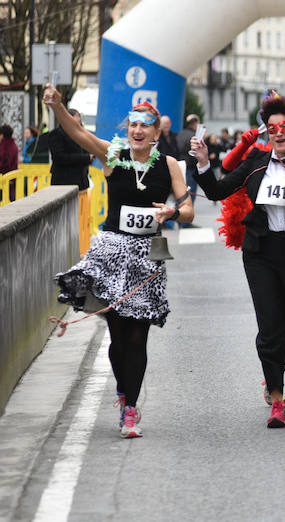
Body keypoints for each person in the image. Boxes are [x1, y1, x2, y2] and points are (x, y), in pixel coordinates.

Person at [44, 84, 195, 438]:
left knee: (138, 337)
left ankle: (130, 410)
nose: (138, 131)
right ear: (128, 129)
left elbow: (188, 208)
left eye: (145, 126)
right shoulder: (112, 156)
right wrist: (58, 106)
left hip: (148, 258)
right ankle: (124, 390)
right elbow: (78, 133)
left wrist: (173, 212)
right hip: (113, 254)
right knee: (118, 338)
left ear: (156, 133)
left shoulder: (169, 165)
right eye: (133, 125)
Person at [192, 93, 285, 428]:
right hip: (261, 253)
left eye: (284, 127)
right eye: (272, 128)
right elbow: (218, 190)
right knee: (270, 326)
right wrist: (202, 163)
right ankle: (277, 398)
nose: (278, 133)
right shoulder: (256, 161)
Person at [48, 109, 92, 190]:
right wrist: (86, 158)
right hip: (64, 182)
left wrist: (90, 157)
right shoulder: (56, 134)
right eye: (77, 117)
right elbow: (59, 157)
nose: (79, 120)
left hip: (82, 182)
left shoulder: (82, 134)